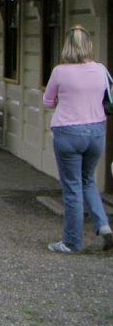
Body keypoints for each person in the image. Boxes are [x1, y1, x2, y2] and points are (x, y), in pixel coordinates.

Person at [42, 25, 112, 253]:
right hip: (96, 131)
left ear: (67, 46)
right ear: (88, 45)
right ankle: (103, 225)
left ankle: (72, 242)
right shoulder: (101, 70)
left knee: (72, 187)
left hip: (68, 133)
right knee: (88, 180)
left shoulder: (60, 72)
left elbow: (48, 102)